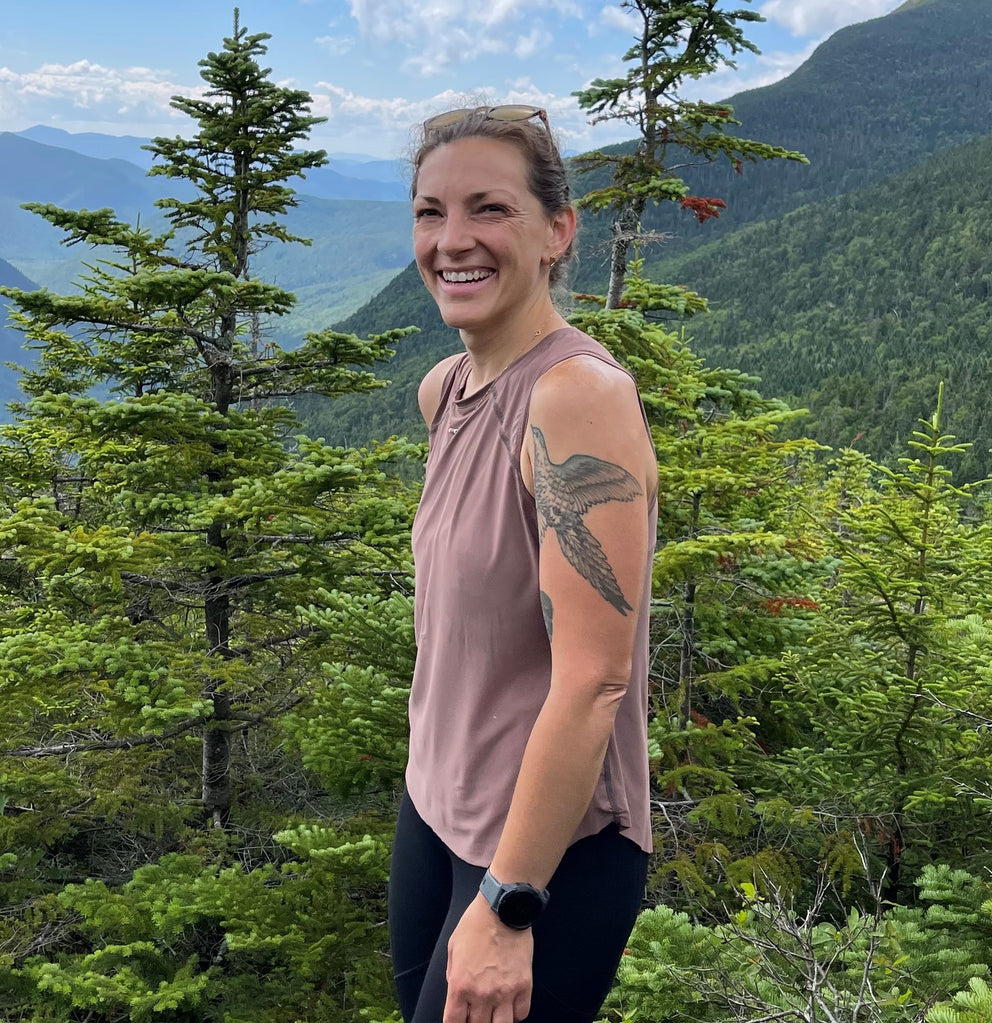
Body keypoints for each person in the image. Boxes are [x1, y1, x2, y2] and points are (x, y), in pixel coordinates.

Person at [388, 103, 658, 1023]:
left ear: (557, 231)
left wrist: (508, 907)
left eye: (488, 209)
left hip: (548, 850)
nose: (451, 239)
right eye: (430, 211)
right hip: (435, 810)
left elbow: (593, 680)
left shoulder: (577, 397)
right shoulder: (446, 391)